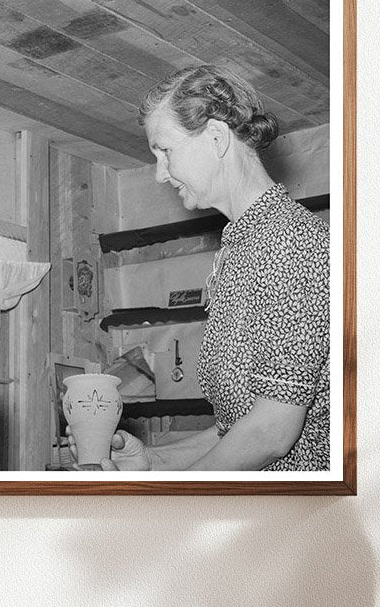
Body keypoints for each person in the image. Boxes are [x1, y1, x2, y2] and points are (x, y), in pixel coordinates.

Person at [80, 65, 330, 472]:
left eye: (165, 151)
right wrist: (154, 462)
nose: (160, 173)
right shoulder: (241, 247)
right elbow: (236, 428)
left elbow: (271, 434)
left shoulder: (291, 243)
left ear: (216, 137)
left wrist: (177, 498)